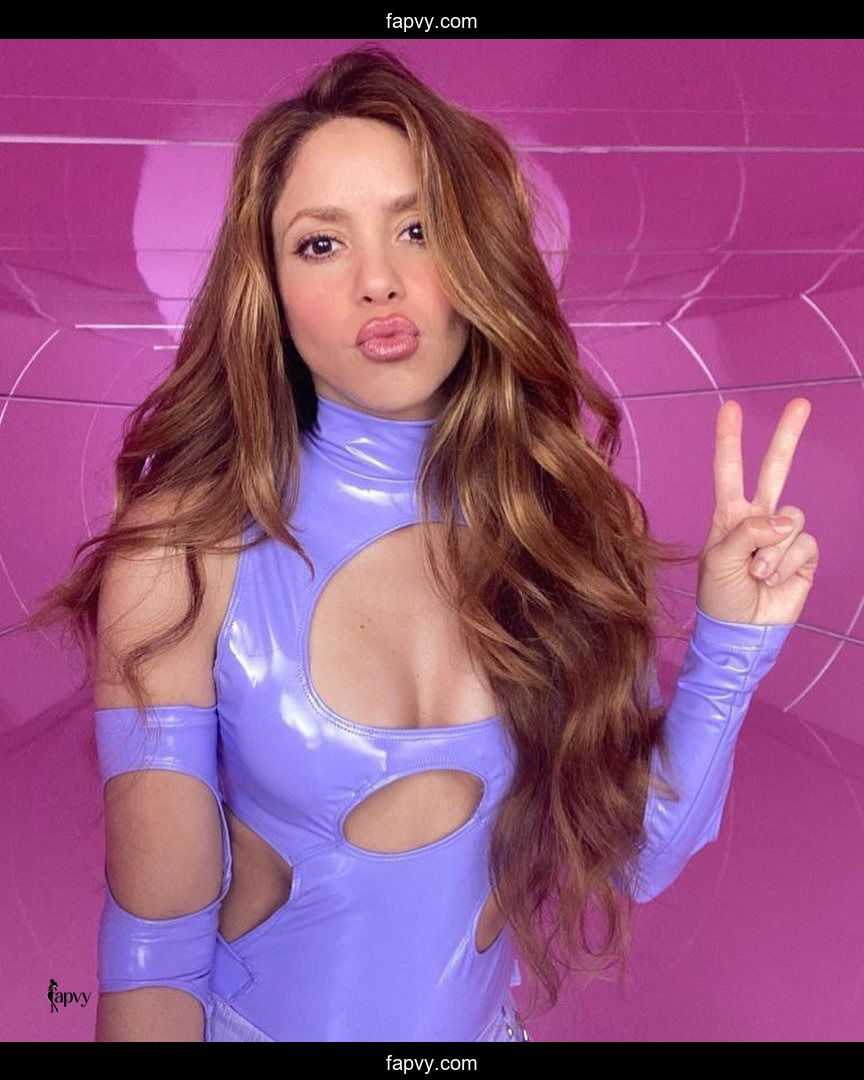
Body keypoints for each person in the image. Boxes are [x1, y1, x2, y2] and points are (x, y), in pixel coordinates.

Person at [25, 45, 816, 1043]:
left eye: (416, 228)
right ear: (269, 290)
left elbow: (638, 855)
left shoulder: (559, 530)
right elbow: (155, 960)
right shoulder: (182, 556)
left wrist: (732, 644)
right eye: (321, 243)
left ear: (472, 258)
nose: (379, 281)